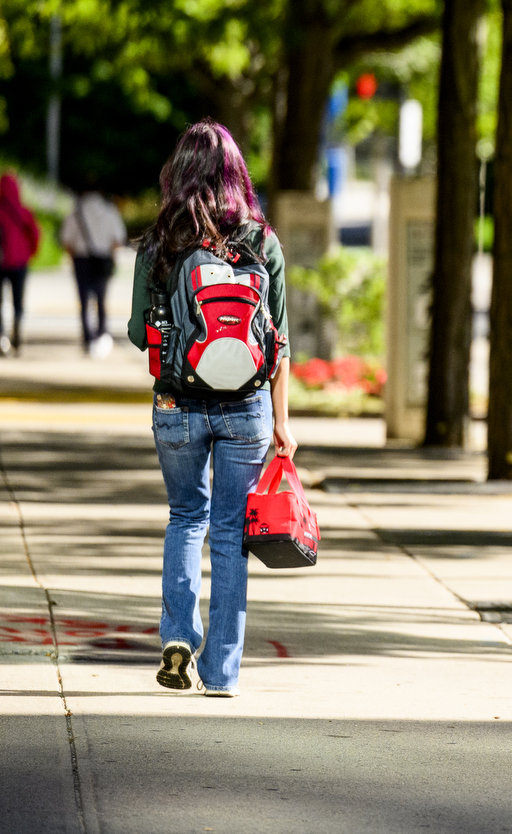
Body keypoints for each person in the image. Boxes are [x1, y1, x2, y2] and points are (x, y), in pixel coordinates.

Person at [127, 120, 296, 698]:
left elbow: (133, 333)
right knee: (228, 533)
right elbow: (280, 344)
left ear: (178, 173)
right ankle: (222, 673)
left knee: (185, 517)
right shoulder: (262, 241)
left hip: (176, 403)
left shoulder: (160, 243)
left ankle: (177, 636)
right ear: (237, 174)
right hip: (247, 408)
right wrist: (284, 424)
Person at [62, 189, 127, 358]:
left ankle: (87, 336)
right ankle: (102, 332)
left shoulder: (76, 212)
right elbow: (118, 238)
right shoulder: (109, 211)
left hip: (81, 259)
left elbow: (67, 240)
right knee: (101, 298)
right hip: (102, 259)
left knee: (84, 300)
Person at [0, 173, 40, 355]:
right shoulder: (24, 212)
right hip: (19, 263)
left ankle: (1, 336)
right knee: (18, 300)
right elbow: (35, 234)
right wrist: (30, 253)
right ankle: (17, 325)